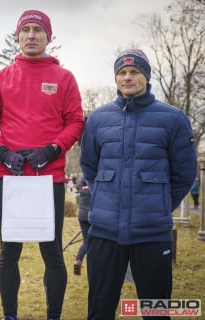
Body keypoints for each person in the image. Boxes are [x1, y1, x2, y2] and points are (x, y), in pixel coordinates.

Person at [79, 49, 197, 320]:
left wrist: (160, 205)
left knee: (156, 311)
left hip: (152, 234)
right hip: (105, 232)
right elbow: (89, 166)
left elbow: (184, 173)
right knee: (99, 310)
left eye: (135, 72)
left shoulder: (173, 119)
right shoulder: (98, 119)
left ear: (147, 77)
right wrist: (106, 199)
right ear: (116, 78)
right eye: (122, 72)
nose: (128, 77)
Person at [0, 9, 84, 320]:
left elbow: (76, 121)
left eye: (38, 30)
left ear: (48, 37)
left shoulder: (64, 78)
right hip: (11, 178)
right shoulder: (1, 79)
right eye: (25, 30)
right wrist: (2, 153)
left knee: (51, 252)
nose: (31, 35)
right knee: (8, 252)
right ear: (18, 36)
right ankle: (10, 315)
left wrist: (52, 150)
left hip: (48, 179)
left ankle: (54, 314)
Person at [73, 176, 90, 276]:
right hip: (92, 217)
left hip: (82, 217)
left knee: (86, 241)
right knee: (91, 242)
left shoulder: (82, 189)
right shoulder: (94, 188)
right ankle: (80, 260)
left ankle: (79, 260)